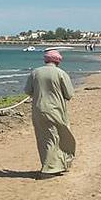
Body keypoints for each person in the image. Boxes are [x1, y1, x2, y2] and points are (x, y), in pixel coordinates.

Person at [24, 50, 76, 178]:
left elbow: (28, 91)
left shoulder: (35, 72)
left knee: (44, 138)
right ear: (58, 61)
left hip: (38, 109)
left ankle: (53, 165)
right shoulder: (61, 73)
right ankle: (51, 168)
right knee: (61, 136)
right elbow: (69, 94)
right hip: (56, 109)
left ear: (45, 60)